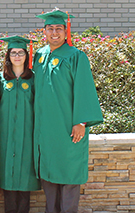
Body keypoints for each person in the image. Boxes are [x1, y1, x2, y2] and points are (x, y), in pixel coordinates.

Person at [33, 8, 104, 213]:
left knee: (69, 172)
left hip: (68, 128)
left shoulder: (76, 56)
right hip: (45, 130)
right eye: (50, 29)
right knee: (49, 172)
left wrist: (81, 122)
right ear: (44, 31)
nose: (54, 33)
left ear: (66, 31)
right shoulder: (40, 56)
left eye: (58, 29)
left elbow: (84, 89)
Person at [0, 35, 41, 213]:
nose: (17, 56)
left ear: (26, 55)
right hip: (5, 134)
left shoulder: (34, 79)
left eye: (21, 52)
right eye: (13, 53)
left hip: (27, 134)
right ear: (8, 56)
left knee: (25, 175)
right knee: (8, 174)